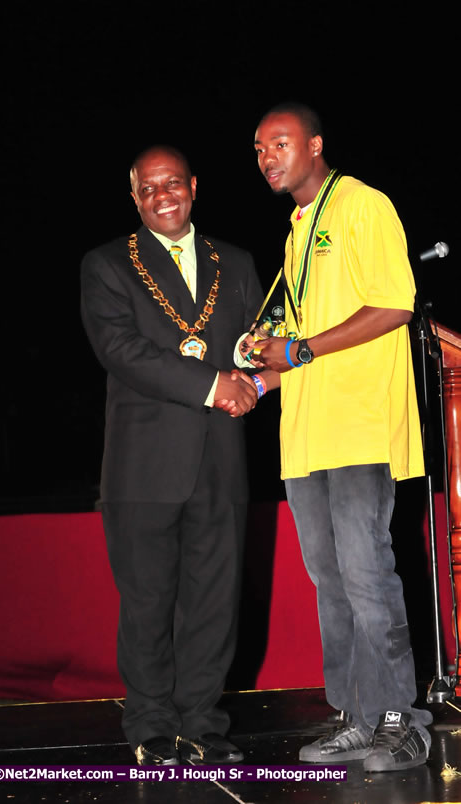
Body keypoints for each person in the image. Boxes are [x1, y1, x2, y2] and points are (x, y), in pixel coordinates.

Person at [240, 103, 432, 772]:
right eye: (258, 148)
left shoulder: (362, 205)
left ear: (315, 144)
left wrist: (298, 350)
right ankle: (356, 718)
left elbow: (395, 304)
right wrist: (259, 381)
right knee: (331, 584)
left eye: (280, 143)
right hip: (306, 436)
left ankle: (401, 723)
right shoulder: (297, 231)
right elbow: (301, 346)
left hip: (358, 428)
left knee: (366, 575)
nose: (267, 157)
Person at [81, 145, 264, 765]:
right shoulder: (107, 264)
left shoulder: (235, 261)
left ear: (194, 186)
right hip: (143, 465)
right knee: (148, 602)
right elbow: (121, 350)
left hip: (221, 461)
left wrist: (259, 369)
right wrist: (214, 385)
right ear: (134, 197)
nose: (163, 195)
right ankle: (150, 726)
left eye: (173, 183)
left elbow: (256, 342)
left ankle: (202, 724)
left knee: (214, 602)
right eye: (149, 187)